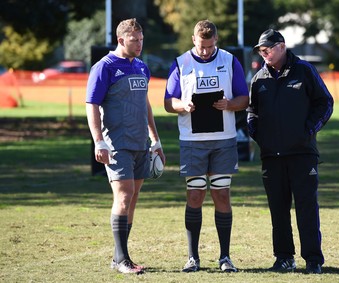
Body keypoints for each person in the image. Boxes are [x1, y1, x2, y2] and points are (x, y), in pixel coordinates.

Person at [164, 19, 249, 273]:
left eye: (210, 46)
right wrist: (184, 105)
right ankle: (193, 258)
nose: (205, 51)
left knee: (222, 194)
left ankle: (225, 257)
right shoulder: (181, 63)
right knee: (195, 194)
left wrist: (229, 105)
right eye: (201, 46)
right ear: (193, 40)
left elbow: (244, 99)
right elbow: (169, 102)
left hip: (224, 140)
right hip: (192, 141)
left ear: (216, 42)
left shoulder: (229, 60)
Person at [247, 29, 333, 274]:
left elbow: (325, 102)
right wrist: (259, 135)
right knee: (278, 209)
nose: (264, 54)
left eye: (268, 49)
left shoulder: (305, 71)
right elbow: (251, 112)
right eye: (261, 51)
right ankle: (284, 257)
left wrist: (308, 130)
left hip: (302, 154)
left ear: (282, 46)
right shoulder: (259, 78)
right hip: (271, 157)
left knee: (306, 208)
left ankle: (313, 259)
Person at [86, 18, 165, 275]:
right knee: (123, 196)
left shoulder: (142, 67)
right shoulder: (104, 67)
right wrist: (99, 141)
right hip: (117, 144)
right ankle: (122, 261)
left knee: (132, 198)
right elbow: (92, 105)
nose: (139, 44)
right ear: (121, 40)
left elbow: (146, 104)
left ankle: (119, 257)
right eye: (134, 40)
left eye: (141, 39)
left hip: (141, 143)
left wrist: (156, 140)